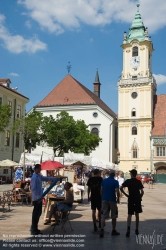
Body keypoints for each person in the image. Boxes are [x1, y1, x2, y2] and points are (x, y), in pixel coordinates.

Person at [30, 164, 60, 235]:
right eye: (40, 169)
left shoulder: (39, 176)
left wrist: (54, 178)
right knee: (36, 214)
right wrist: (38, 197)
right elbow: (33, 189)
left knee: (38, 213)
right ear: (36, 169)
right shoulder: (34, 177)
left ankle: (35, 228)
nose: (40, 170)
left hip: (39, 198)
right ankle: (34, 229)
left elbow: (46, 178)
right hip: (36, 198)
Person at [120, 169, 144, 237]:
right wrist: (140, 197)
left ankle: (128, 229)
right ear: (136, 174)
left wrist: (126, 195)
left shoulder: (128, 181)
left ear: (131, 174)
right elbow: (142, 191)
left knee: (129, 214)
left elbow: (121, 188)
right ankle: (136, 229)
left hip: (131, 198)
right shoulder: (138, 181)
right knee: (137, 214)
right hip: (137, 199)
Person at [100, 169, 120, 238]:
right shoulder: (115, 182)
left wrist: (102, 197)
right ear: (114, 174)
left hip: (104, 199)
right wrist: (118, 198)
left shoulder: (104, 181)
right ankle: (113, 230)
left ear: (108, 174)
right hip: (112, 199)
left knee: (103, 215)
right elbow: (117, 191)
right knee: (113, 215)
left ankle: (102, 229)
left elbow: (101, 190)